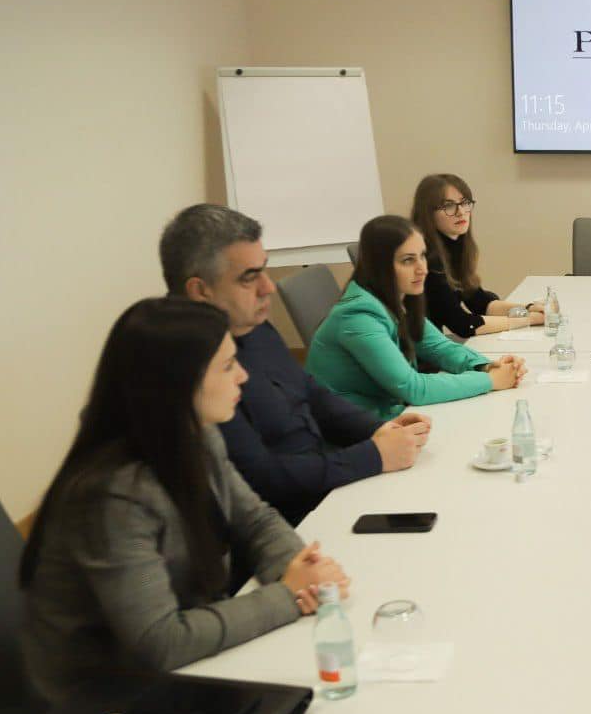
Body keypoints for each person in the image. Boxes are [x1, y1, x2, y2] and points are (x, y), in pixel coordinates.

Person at [19, 298, 351, 703]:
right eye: (227, 366)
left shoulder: (197, 434)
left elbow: (255, 520)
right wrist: (288, 596)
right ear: (178, 383)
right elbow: (161, 640)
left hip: (180, 661)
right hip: (99, 700)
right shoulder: (113, 498)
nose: (243, 376)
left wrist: (300, 572)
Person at [160, 204, 431, 526]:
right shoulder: (188, 368)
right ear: (200, 291)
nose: (268, 287)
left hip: (329, 485)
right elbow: (261, 478)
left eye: (263, 270)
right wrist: (374, 455)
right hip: (293, 519)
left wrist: (378, 429)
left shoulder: (252, 325)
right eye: (249, 277)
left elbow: (309, 392)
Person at [307, 215, 524, 420]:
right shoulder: (357, 317)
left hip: (388, 416)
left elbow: (439, 347)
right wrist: (489, 381)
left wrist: (486, 367)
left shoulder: (399, 298)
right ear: (380, 266)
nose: (422, 269)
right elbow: (412, 388)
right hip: (355, 428)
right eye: (408, 260)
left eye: (422, 256)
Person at [410, 173, 542, 338]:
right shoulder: (427, 258)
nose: (461, 212)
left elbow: (479, 302)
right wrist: (530, 319)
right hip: (417, 350)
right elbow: (463, 324)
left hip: (436, 345)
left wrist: (528, 308)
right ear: (427, 214)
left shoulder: (453, 246)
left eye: (465, 203)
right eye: (448, 206)